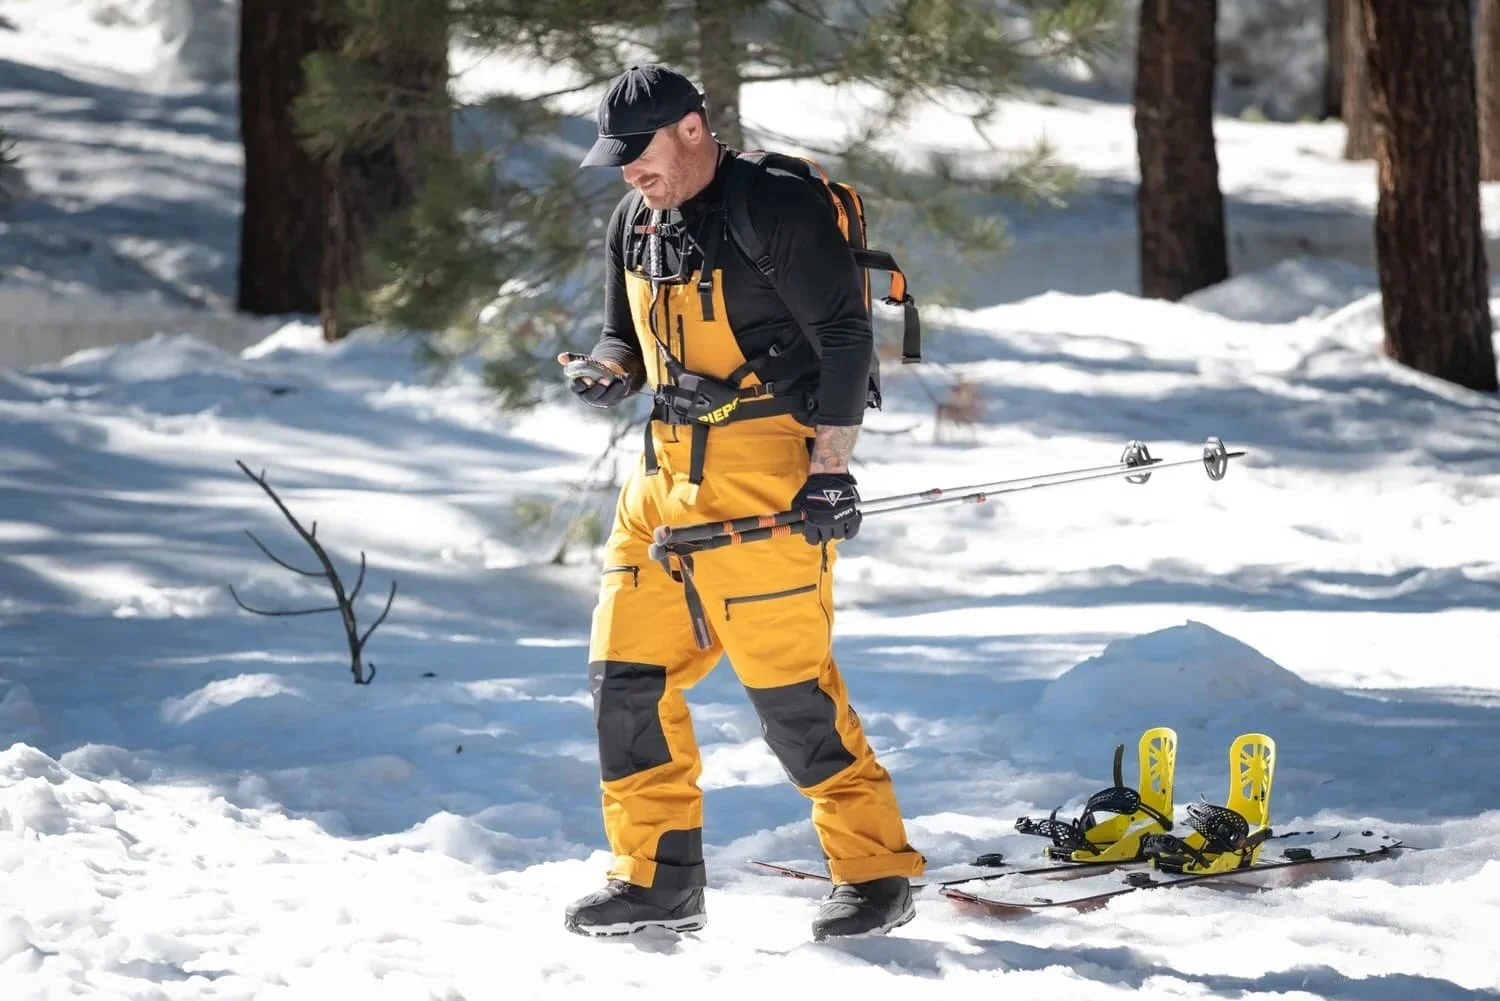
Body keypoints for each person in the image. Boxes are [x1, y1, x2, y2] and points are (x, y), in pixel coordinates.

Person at [559, 63, 925, 941]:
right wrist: (608, 370)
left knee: (792, 698)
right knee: (625, 683)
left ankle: (874, 872)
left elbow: (846, 338)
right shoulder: (634, 219)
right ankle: (657, 877)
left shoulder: (775, 208)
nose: (629, 172)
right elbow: (622, 335)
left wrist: (830, 472)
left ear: (692, 129)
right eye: (617, 158)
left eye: (639, 152)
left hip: (766, 476)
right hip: (661, 480)